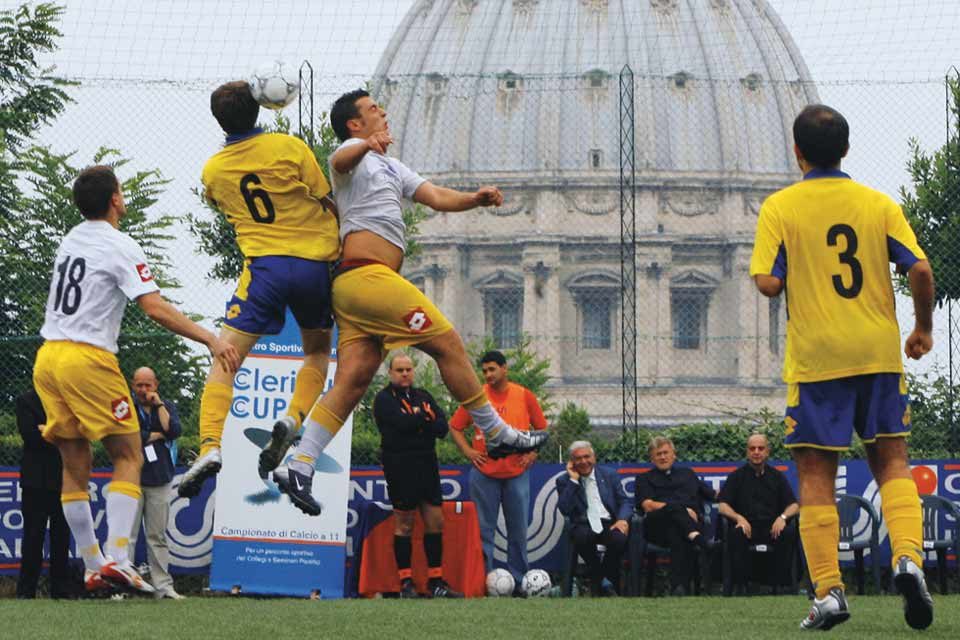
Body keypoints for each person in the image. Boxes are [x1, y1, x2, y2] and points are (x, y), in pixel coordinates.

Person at [273, 89, 547, 515]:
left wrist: (475, 199)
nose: (381, 112)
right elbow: (339, 161)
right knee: (448, 343)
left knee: (353, 382)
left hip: (357, 288)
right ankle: (494, 431)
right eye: (371, 110)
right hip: (369, 277)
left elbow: (435, 196)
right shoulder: (353, 153)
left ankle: (300, 464)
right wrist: (365, 145)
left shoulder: (390, 165)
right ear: (354, 124)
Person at [750, 104, 936, 630]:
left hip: (817, 358)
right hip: (877, 352)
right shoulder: (877, 204)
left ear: (797, 151)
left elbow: (767, 281)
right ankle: (906, 558)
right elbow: (920, 268)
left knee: (814, 476)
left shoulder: (780, 208)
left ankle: (830, 592)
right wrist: (921, 328)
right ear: (848, 150)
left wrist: (785, 271)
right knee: (893, 462)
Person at [33, 165, 240, 594]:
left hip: (47, 357)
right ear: (114, 199)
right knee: (129, 453)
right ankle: (121, 559)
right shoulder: (120, 245)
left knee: (75, 463)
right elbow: (155, 308)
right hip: (87, 358)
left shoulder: (71, 239)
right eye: (121, 191)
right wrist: (210, 338)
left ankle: (93, 564)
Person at [178, 80, 341, 498]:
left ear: (219, 120)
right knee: (318, 353)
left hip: (265, 269)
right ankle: (293, 419)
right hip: (313, 266)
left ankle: (210, 445)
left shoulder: (213, 171)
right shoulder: (290, 148)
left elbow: (220, 203)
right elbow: (326, 199)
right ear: (262, 108)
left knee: (226, 356)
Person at [449, 350, 547, 592]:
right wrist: (469, 453)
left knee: (518, 530)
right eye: (484, 371)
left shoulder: (523, 395)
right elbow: (455, 426)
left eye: (492, 369)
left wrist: (532, 454)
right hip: (484, 474)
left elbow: (543, 428)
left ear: (505, 369)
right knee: (483, 531)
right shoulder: (476, 397)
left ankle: (520, 581)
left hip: (516, 473)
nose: (488, 374)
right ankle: (485, 581)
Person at [372, 354, 462, 599]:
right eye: (399, 369)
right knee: (405, 524)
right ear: (390, 373)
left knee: (435, 521)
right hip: (399, 465)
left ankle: (436, 582)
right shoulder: (383, 399)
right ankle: (406, 582)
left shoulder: (424, 396)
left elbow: (442, 428)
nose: (404, 374)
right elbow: (399, 425)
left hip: (427, 464)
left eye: (408, 369)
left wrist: (419, 419)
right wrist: (423, 418)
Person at [718, 434, 799, 594]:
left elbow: (795, 505)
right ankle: (742, 586)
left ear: (767, 452)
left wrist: (782, 518)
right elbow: (722, 506)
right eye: (752, 448)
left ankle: (781, 586)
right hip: (746, 527)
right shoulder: (736, 477)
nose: (756, 452)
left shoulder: (777, 477)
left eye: (760, 448)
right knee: (737, 533)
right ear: (747, 452)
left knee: (787, 532)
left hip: (771, 528)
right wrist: (738, 518)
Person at [128, 367, 184, 599]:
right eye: (139, 385)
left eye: (147, 385)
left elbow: (173, 430)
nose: (143, 390)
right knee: (127, 536)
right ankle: (125, 586)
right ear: (133, 385)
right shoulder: (127, 407)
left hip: (159, 479)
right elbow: (128, 435)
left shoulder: (166, 406)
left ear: (155, 384)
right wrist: (155, 435)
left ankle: (163, 587)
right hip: (130, 478)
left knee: (157, 536)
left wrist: (159, 405)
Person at [634, 437, 715, 596]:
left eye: (665, 453)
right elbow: (648, 506)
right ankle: (698, 539)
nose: (662, 457)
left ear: (674, 455)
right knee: (676, 517)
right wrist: (682, 510)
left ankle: (678, 588)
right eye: (658, 454)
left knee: (678, 532)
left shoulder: (688, 474)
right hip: (657, 528)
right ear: (652, 458)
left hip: (683, 529)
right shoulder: (644, 479)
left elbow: (713, 495)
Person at [15, 388, 72, 599]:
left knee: (61, 537)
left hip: (64, 478)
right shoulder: (26, 400)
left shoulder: (68, 399)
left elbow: (75, 432)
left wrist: (46, 429)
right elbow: (30, 435)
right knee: (32, 536)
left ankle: (61, 591)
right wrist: (59, 432)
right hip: (34, 481)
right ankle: (26, 591)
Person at [556, 440, 631, 597]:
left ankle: (601, 581)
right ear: (572, 462)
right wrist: (574, 481)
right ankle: (605, 582)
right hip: (584, 524)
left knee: (619, 538)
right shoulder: (564, 481)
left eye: (587, 456)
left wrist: (622, 519)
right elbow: (564, 509)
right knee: (582, 537)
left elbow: (624, 501)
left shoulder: (609, 475)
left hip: (608, 522)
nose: (583, 461)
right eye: (578, 458)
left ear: (594, 457)